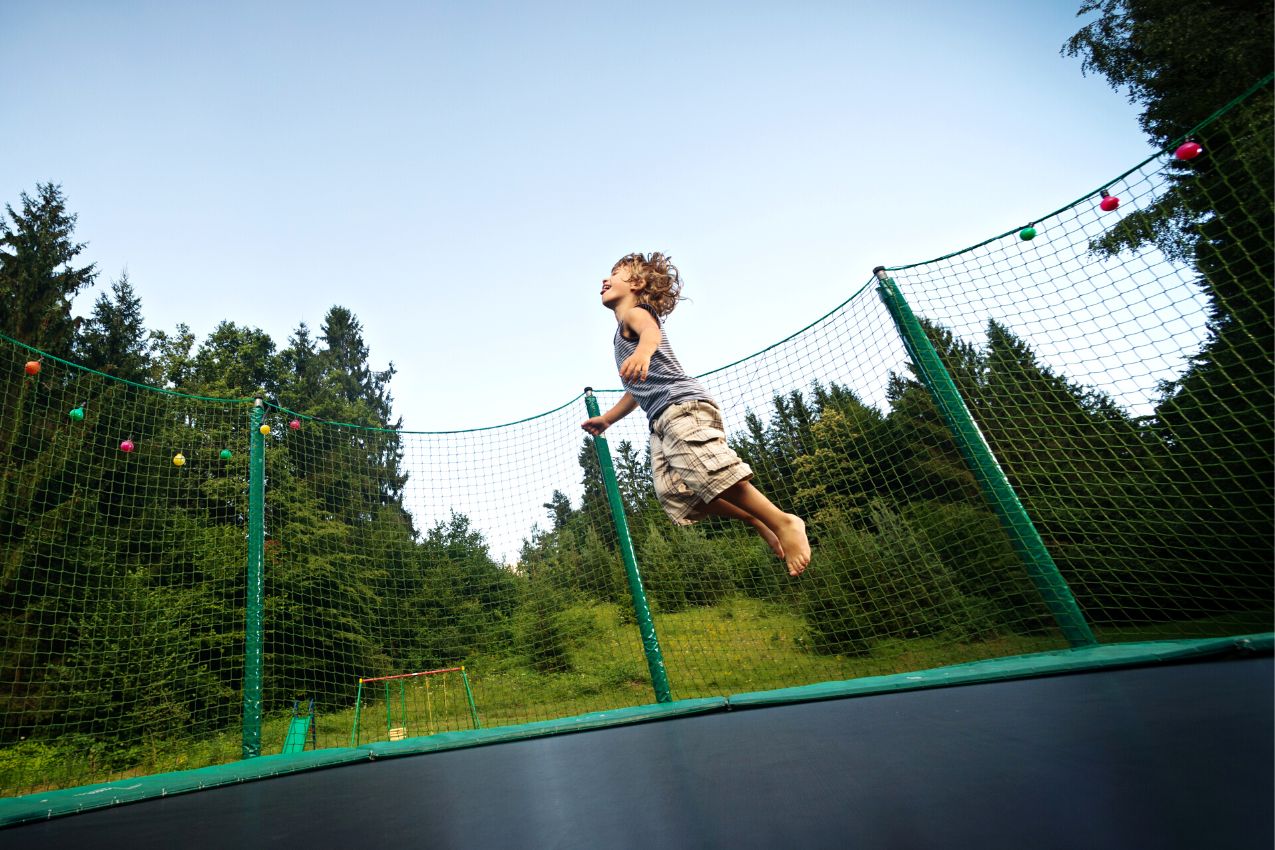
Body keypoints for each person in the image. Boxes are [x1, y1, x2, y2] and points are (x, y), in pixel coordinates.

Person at [581, 252, 811, 576]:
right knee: (676, 495)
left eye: (616, 274)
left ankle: (784, 521)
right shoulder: (620, 335)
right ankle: (754, 516)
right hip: (660, 421)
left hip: (682, 407)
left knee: (708, 471)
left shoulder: (636, 315)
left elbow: (651, 332)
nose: (606, 279)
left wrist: (644, 352)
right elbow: (635, 389)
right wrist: (608, 418)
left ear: (637, 283)